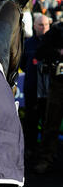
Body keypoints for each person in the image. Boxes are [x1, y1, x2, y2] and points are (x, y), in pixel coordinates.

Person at [19, 14, 51, 163]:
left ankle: (46, 152)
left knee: (48, 123)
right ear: (34, 26)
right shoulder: (27, 44)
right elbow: (22, 64)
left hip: (50, 91)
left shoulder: (55, 44)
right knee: (31, 121)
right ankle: (29, 149)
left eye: (46, 25)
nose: (43, 28)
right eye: (40, 25)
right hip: (32, 89)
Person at [33, 22, 63, 174]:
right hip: (58, 84)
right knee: (51, 123)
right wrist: (58, 52)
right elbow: (40, 53)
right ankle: (45, 158)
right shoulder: (57, 30)